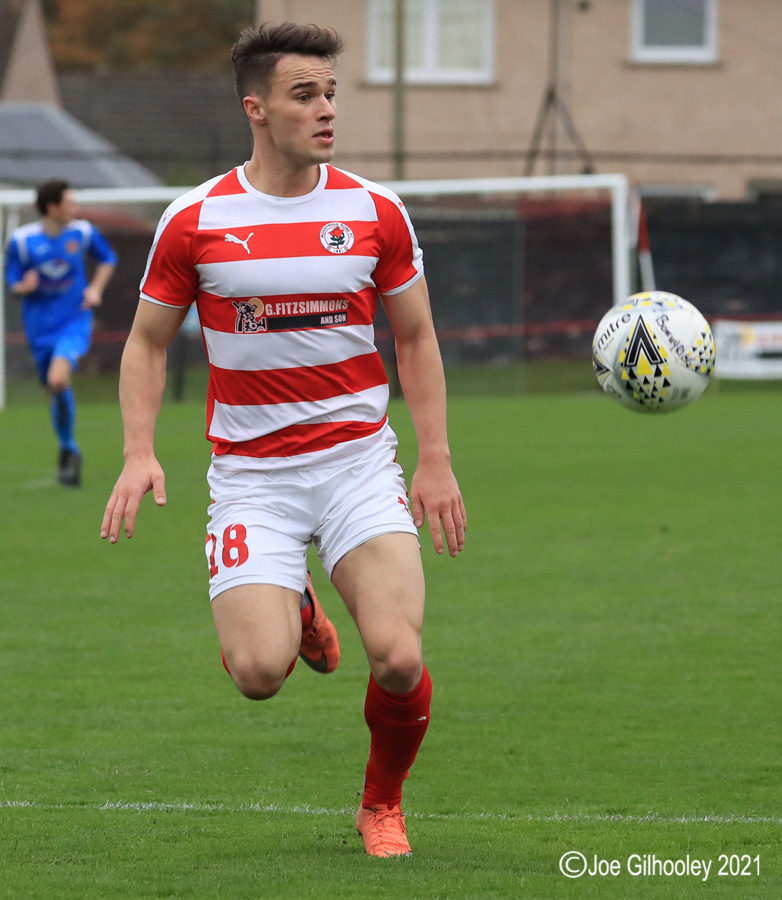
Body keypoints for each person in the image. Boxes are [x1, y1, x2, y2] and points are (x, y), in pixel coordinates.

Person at [100, 22, 466, 857]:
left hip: (356, 467)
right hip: (253, 479)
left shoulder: (375, 211)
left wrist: (436, 461)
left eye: (331, 92)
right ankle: (292, 599)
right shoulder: (195, 219)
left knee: (399, 658)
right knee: (260, 675)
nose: (327, 109)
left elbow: (414, 338)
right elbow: (147, 343)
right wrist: (138, 449)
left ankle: (381, 804)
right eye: (306, 95)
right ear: (256, 108)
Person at [4, 180, 117, 487]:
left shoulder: (81, 232)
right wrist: (22, 287)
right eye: (70, 202)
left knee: (57, 379)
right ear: (53, 207)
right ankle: (68, 447)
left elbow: (108, 259)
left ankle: (69, 449)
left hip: (75, 320)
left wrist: (94, 289)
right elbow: (12, 279)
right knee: (53, 389)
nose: (75, 208)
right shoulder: (22, 241)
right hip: (39, 328)